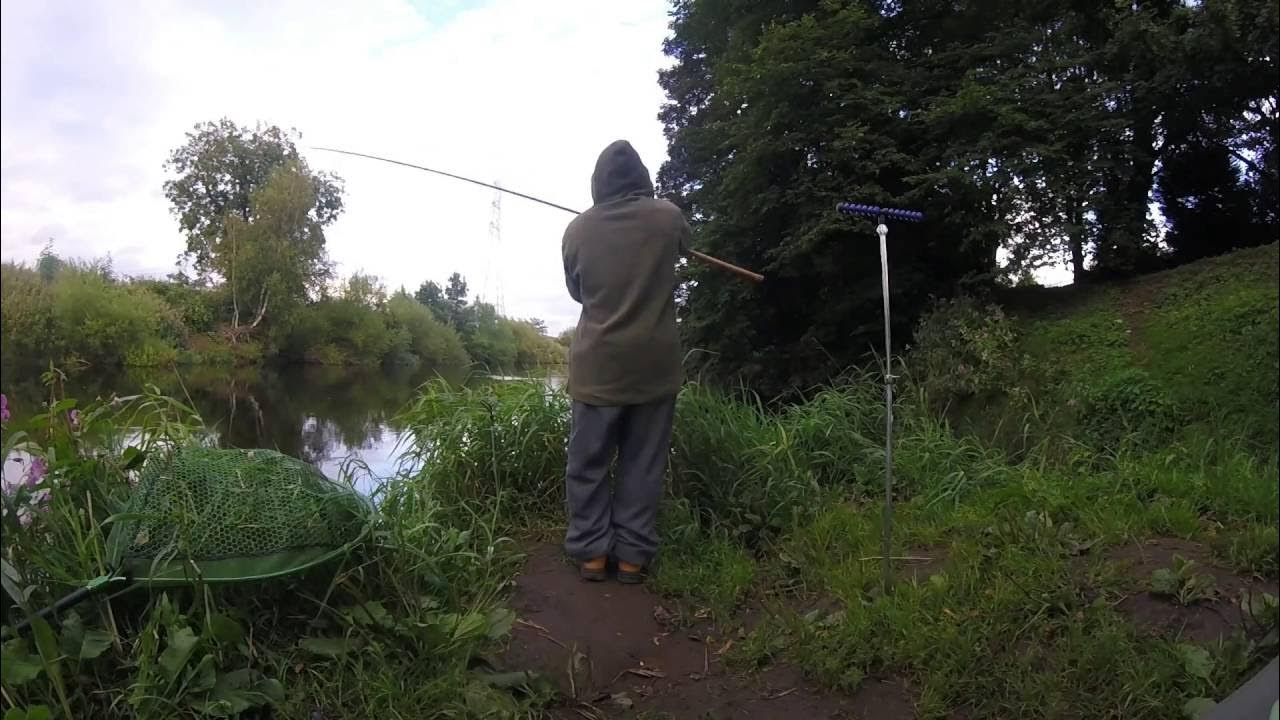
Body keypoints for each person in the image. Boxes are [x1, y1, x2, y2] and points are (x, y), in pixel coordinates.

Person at [560, 139, 691, 584]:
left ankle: (593, 554)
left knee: (588, 463)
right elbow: (683, 251)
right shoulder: (669, 216)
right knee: (643, 463)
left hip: (597, 368)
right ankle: (633, 558)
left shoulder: (577, 231)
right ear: (642, 179)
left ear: (598, 184)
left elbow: (578, 291)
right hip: (655, 367)